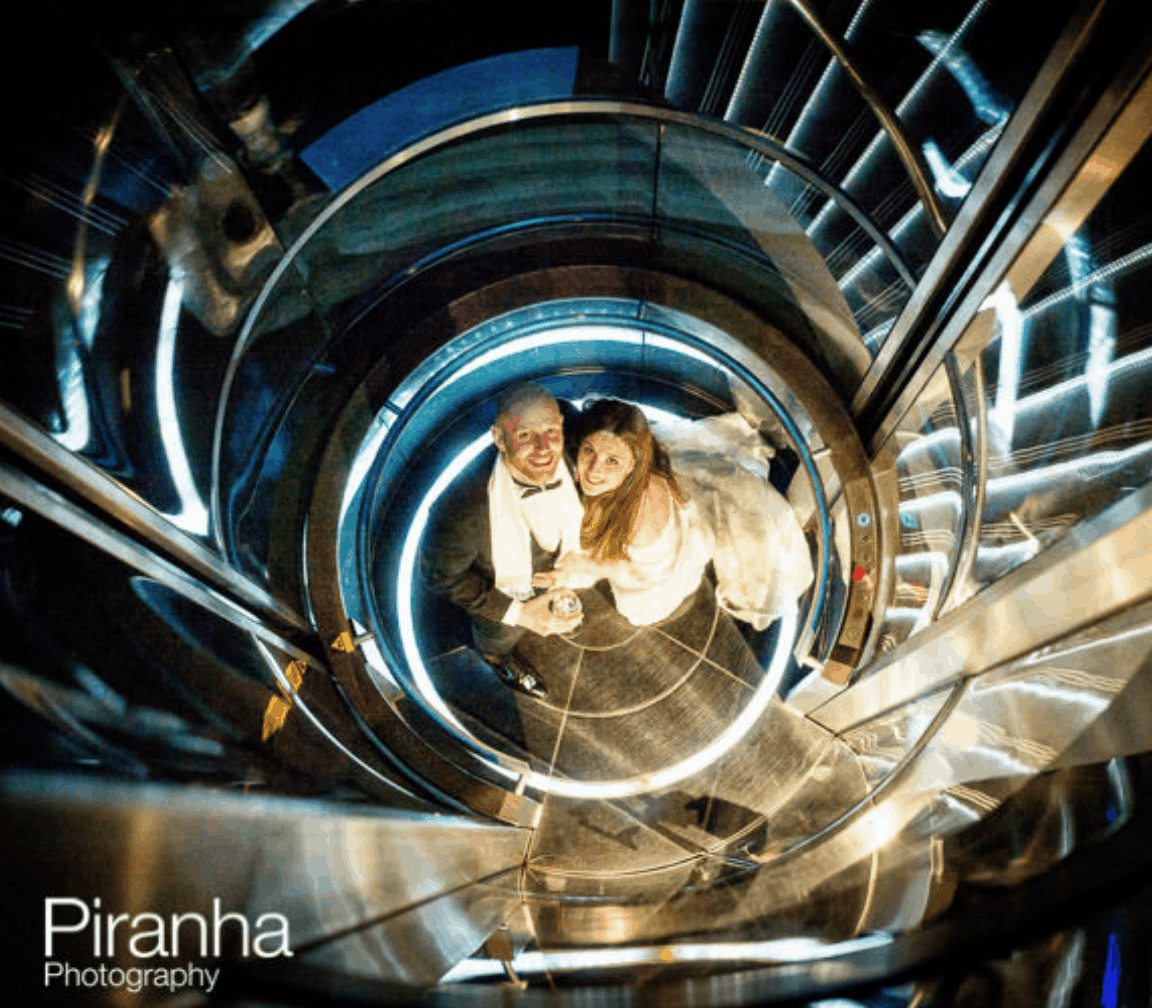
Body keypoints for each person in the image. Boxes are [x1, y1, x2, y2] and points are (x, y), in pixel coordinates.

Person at [536, 398, 813, 629]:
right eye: (589, 451)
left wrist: (592, 567)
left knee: (636, 609)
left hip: (657, 569)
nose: (594, 471)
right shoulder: (630, 457)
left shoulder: (643, 517)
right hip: (672, 520)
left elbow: (646, 574)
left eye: (612, 461)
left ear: (633, 464)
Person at [420, 382, 584, 698]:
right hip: (503, 590)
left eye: (550, 431)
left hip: (560, 567)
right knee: (499, 636)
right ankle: (497, 659)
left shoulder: (577, 442)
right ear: (499, 438)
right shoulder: (461, 511)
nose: (543, 447)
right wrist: (520, 614)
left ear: (562, 424)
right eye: (524, 436)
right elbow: (439, 575)